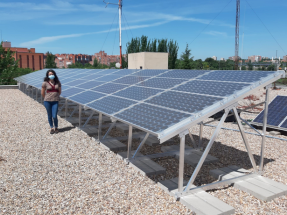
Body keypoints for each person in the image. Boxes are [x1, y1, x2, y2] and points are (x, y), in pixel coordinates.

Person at [41, 70, 62, 134]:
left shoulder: (58, 82)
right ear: (47, 75)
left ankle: (56, 127)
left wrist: (55, 96)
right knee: (49, 115)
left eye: (52, 74)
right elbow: (42, 92)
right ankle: (52, 128)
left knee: (54, 115)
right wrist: (46, 98)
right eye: (49, 74)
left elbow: (59, 91)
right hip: (47, 101)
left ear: (54, 74)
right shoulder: (45, 83)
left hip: (55, 101)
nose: (51, 75)